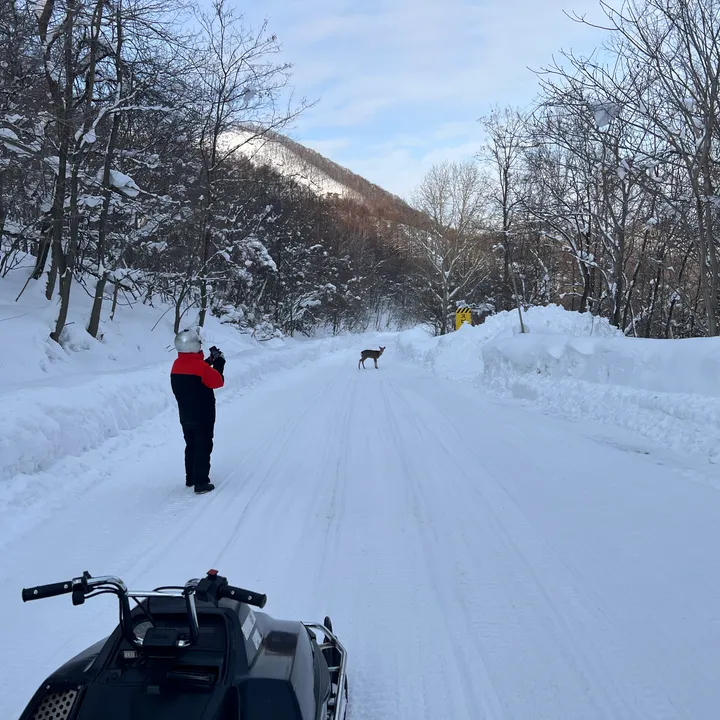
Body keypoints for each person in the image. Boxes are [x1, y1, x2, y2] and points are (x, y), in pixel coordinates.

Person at [170, 329, 226, 494]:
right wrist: (219, 364)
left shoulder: (176, 365)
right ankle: (201, 482)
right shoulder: (201, 367)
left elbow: (194, 368)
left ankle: (191, 477)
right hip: (203, 413)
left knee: (191, 444)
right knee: (203, 445)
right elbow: (217, 381)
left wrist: (209, 361)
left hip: (185, 413)